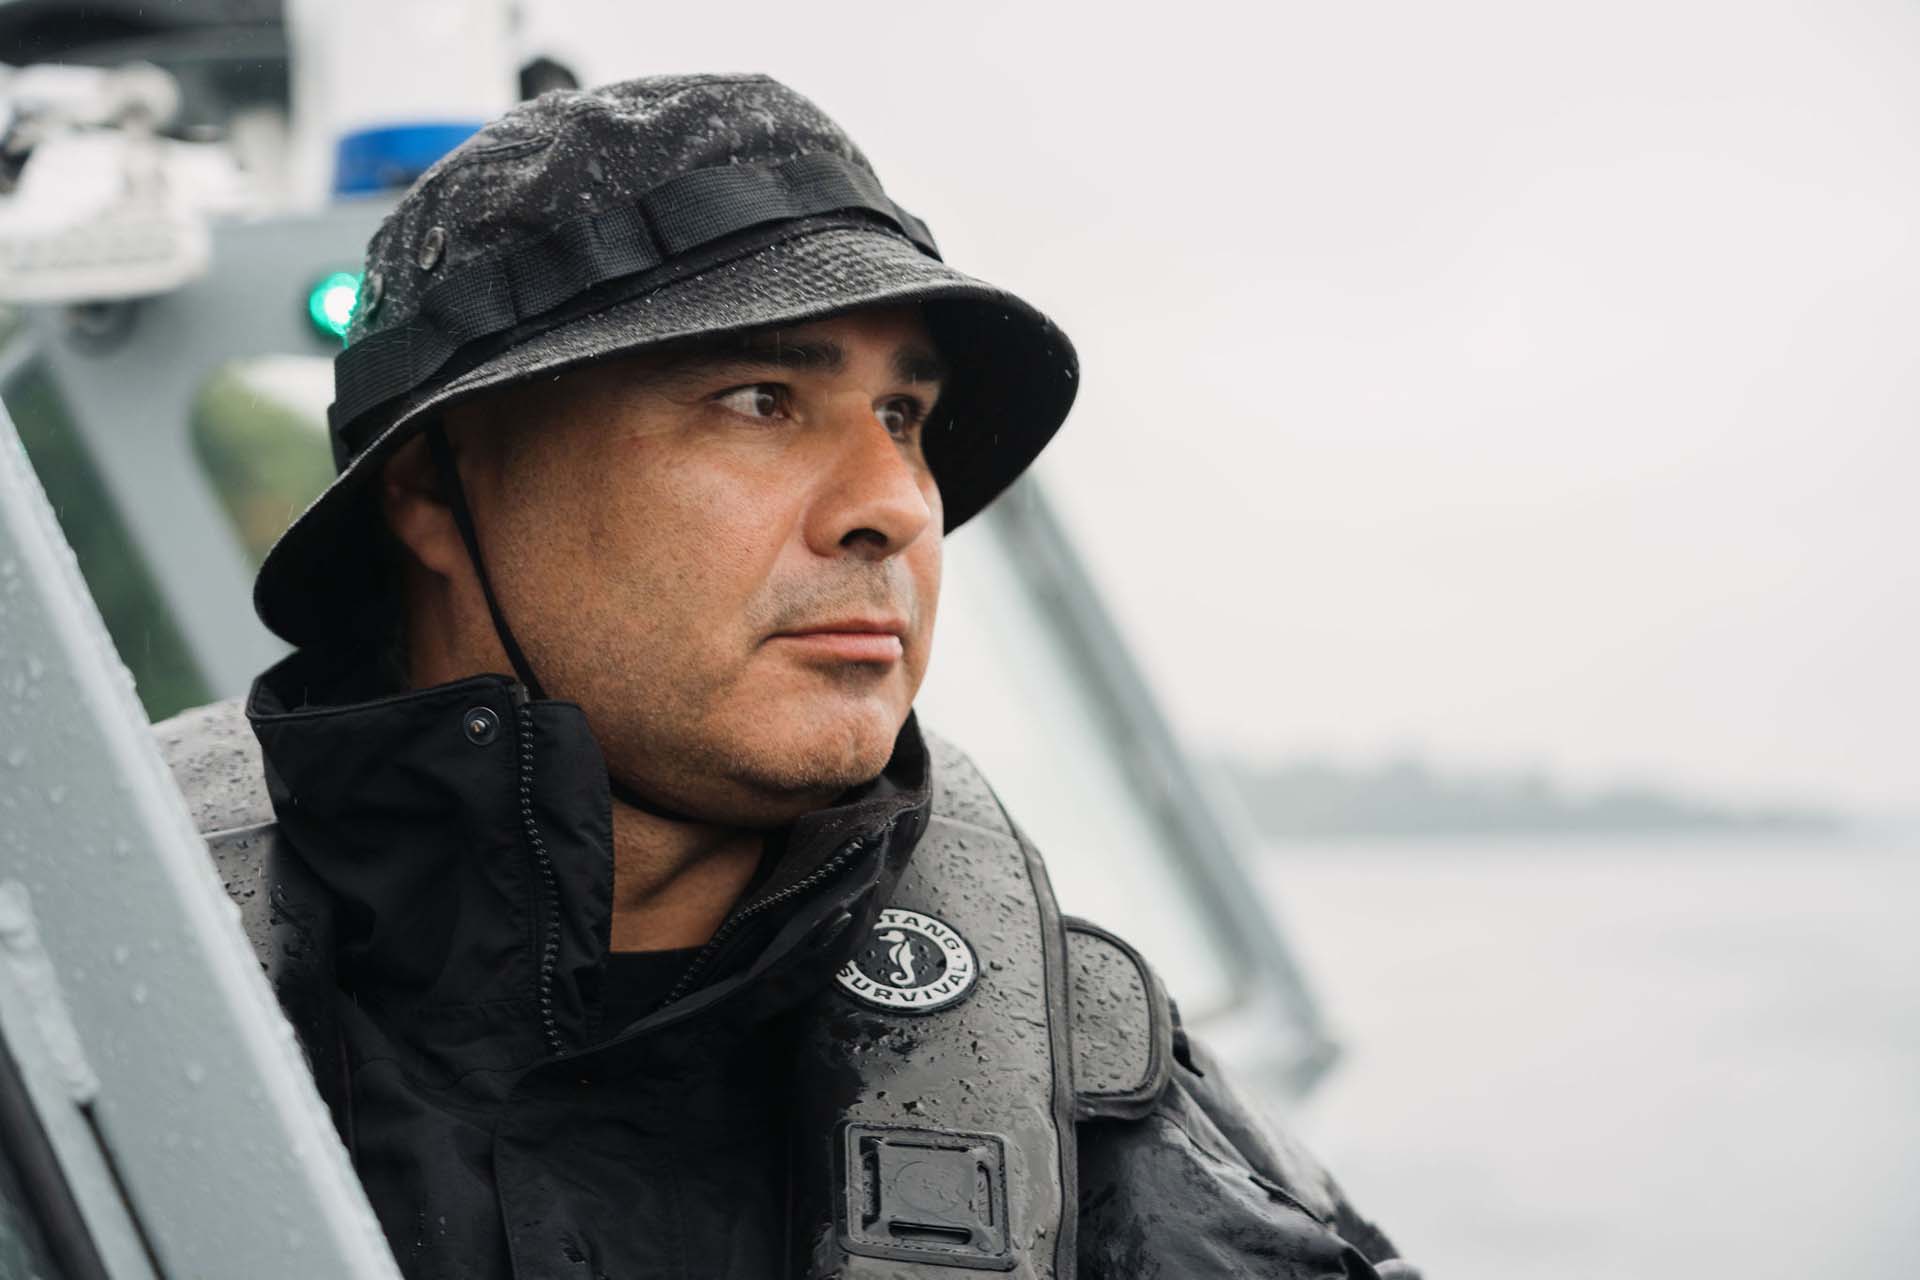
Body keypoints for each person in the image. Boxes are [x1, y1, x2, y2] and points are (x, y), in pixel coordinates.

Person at [156, 74, 1419, 1279]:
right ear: (436, 487)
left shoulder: (1115, 1144)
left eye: (903, 418)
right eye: (761, 399)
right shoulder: (100, 989)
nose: (894, 507)